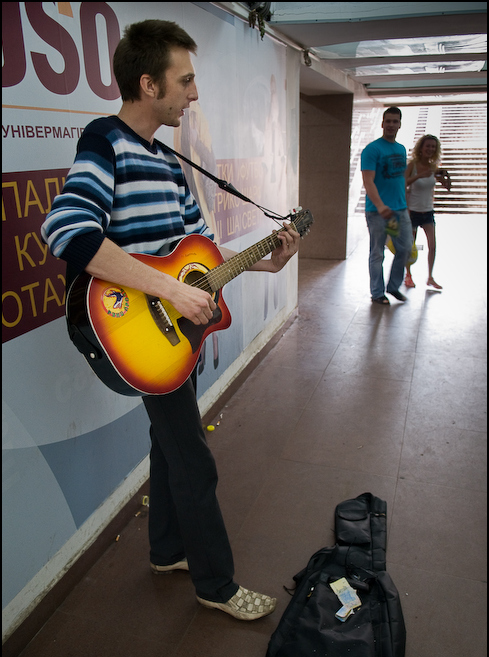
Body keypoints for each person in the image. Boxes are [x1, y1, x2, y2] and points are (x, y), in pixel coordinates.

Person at [41, 19, 300, 621]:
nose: (195, 93)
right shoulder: (104, 141)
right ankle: (217, 585)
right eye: (185, 81)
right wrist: (168, 291)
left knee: (168, 441)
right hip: (133, 329)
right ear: (148, 84)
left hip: (169, 335)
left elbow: (202, 255)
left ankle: (165, 550)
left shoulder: (166, 160)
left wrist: (265, 262)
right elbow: (67, 231)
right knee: (194, 458)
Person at [361, 107, 413, 304]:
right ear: (382, 124)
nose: (391, 125)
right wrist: (381, 206)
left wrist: (404, 204)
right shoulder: (372, 150)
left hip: (398, 211)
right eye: (388, 121)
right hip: (378, 212)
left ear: (400, 124)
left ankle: (393, 287)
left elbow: (400, 180)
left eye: (395, 121)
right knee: (377, 253)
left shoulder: (400, 149)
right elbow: (368, 181)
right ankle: (377, 293)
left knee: (405, 248)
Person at [404, 134, 451, 290]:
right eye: (427, 146)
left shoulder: (433, 167)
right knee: (410, 247)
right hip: (413, 212)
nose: (430, 149)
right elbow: (403, 183)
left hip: (428, 211)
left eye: (433, 146)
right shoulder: (413, 165)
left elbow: (447, 187)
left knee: (433, 245)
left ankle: (430, 277)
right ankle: (408, 275)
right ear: (421, 148)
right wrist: (419, 175)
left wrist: (445, 178)